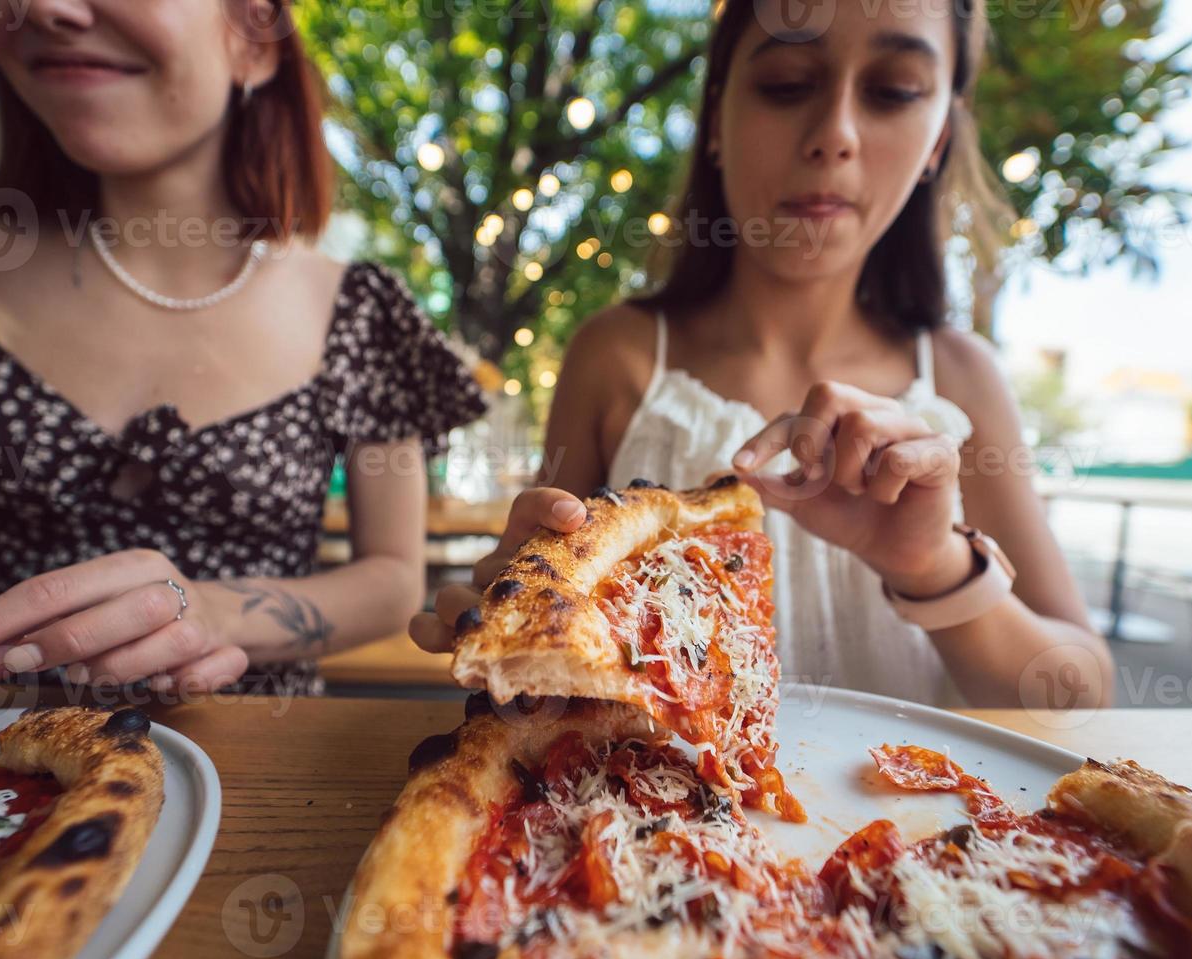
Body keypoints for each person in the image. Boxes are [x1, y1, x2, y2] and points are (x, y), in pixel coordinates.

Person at [412, 0, 1113, 709]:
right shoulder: (616, 356)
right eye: (785, 83)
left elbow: (1079, 697)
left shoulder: (961, 382)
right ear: (715, 118)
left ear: (937, 141)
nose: (834, 134)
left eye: (893, 90)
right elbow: (538, 658)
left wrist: (934, 566)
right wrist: (518, 616)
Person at [0, 0, 485, 696]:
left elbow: (393, 580)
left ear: (254, 38)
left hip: (260, 768)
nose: (44, 7)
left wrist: (210, 611)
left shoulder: (364, 310)